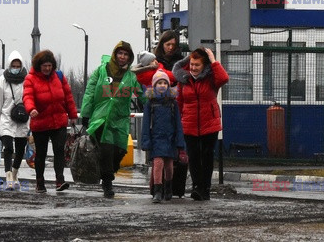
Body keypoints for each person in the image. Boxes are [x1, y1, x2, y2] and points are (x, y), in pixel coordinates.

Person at [80, 41, 145, 198]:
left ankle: (110, 171)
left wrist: (152, 104)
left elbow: (141, 93)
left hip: (120, 118)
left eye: (126, 54)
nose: (122, 57)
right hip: (101, 118)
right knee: (106, 150)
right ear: (115, 54)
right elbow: (89, 92)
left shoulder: (131, 76)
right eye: (120, 53)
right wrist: (86, 113)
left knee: (120, 150)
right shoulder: (101, 71)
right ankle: (107, 183)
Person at [172, 47, 229, 201]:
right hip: (189, 123)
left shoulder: (211, 78)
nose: (193, 68)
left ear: (204, 66)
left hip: (209, 123)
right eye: (191, 64)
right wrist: (178, 121)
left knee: (207, 155)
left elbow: (224, 78)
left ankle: (206, 188)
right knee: (194, 156)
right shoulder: (184, 80)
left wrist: (212, 58)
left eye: (197, 65)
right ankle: (197, 187)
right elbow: (179, 101)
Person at [23, 50, 78, 193]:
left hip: (58, 121)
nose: (47, 69)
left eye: (49, 65)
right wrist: (31, 109)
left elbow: (68, 97)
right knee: (41, 154)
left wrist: (72, 115)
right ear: (39, 66)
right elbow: (27, 97)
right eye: (44, 66)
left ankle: (60, 180)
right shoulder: (30, 79)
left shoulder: (59, 77)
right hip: (40, 123)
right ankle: (40, 182)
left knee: (59, 150)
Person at [141, 70, 186, 203]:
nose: (162, 85)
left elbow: (178, 123)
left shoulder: (173, 103)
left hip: (170, 138)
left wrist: (179, 141)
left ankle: (168, 188)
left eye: (164, 83)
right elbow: (146, 124)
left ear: (168, 85)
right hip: (156, 138)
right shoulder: (150, 103)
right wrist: (146, 141)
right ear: (154, 85)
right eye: (159, 83)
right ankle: (157, 191)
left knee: (169, 165)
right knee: (158, 163)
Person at [0, 51, 30, 190]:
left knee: (20, 150)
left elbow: (31, 99)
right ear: (9, 65)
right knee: (8, 148)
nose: (16, 68)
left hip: (22, 119)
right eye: (14, 65)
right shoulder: (2, 81)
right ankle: (8, 176)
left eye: (18, 66)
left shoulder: (27, 80)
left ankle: (15, 172)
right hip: (6, 119)